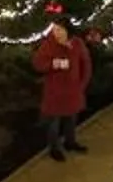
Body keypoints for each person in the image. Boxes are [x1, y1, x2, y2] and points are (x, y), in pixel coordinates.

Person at [33, 20, 92, 161]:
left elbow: (86, 63)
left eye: (60, 30)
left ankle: (70, 143)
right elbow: (38, 64)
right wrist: (54, 64)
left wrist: (82, 85)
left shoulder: (77, 43)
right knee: (53, 123)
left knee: (71, 119)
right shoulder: (49, 44)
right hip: (55, 94)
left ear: (68, 32)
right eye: (54, 30)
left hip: (73, 92)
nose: (56, 33)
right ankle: (54, 149)